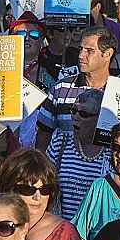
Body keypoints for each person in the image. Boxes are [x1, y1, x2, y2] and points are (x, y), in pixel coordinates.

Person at [0, 148, 88, 240]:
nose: (37, 197)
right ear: (11, 189)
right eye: (28, 189)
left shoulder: (65, 233)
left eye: (45, 189)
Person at [44, 86, 112, 223]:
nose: (75, 117)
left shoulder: (112, 153)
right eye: (73, 111)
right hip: (62, 233)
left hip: (96, 235)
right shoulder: (60, 144)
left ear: (100, 119)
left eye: (84, 114)